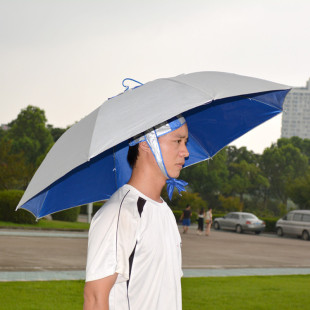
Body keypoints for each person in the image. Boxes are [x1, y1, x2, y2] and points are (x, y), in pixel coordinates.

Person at [83, 115, 189, 310]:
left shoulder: (165, 212)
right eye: (177, 141)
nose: (185, 152)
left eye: (185, 142)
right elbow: (95, 298)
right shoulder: (120, 213)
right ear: (146, 143)